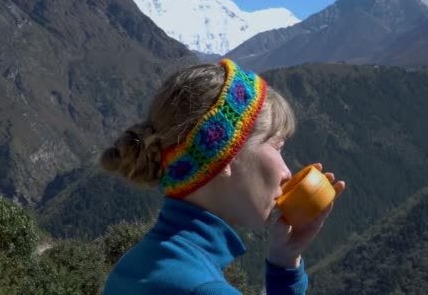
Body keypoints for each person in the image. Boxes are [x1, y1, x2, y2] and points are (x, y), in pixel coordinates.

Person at [100, 58, 346, 294]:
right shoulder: (206, 290)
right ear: (225, 156)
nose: (287, 172)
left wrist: (286, 259)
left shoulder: (130, 266)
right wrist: (284, 278)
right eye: (277, 148)